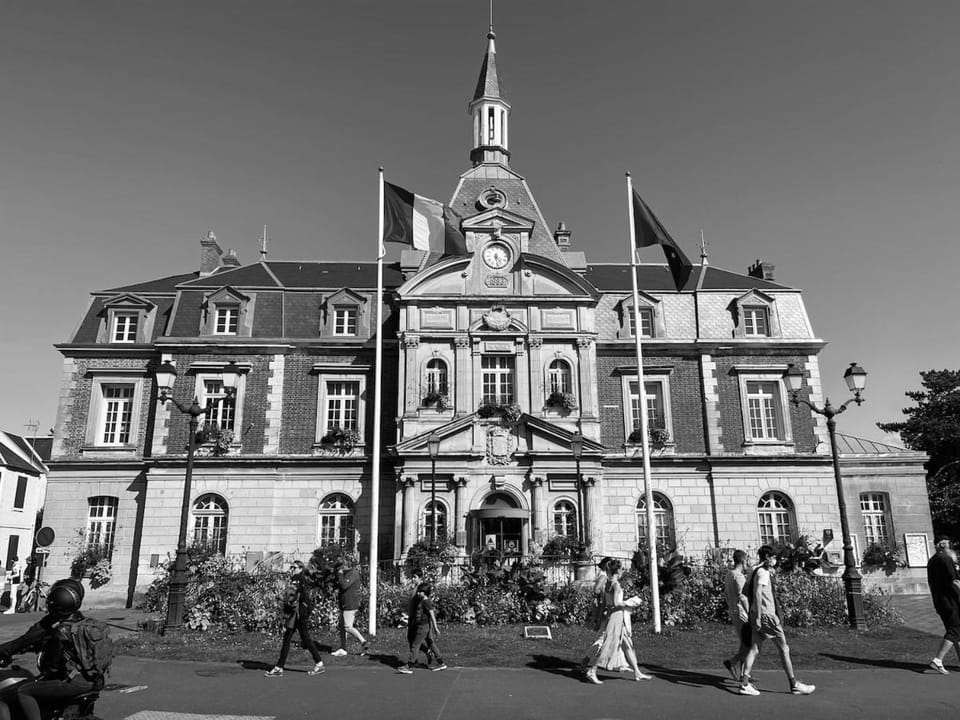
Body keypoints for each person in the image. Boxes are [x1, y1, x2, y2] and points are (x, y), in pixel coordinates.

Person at [0, 578, 103, 720]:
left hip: (69, 680)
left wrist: (6, 650)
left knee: (22, 691)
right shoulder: (80, 623)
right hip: (93, 679)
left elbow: (23, 642)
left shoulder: (53, 625)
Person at [738, 546, 815, 696]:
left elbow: (746, 592)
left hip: (757, 613)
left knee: (755, 648)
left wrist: (753, 613)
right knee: (784, 648)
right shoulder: (763, 572)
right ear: (767, 556)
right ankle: (794, 684)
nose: (775, 559)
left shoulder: (754, 570)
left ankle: (744, 683)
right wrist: (760, 616)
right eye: (773, 556)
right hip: (767, 615)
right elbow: (758, 593)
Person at [583, 558, 650, 684]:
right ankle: (593, 670)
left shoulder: (609, 583)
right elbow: (615, 603)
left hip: (613, 615)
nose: (622, 570)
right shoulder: (616, 585)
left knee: (627, 644)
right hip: (616, 616)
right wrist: (630, 603)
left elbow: (607, 602)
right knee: (609, 644)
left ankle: (637, 672)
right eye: (621, 568)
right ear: (618, 570)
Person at [264, 561, 325, 678]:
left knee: (304, 638)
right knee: (288, 638)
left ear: (301, 568)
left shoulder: (299, 579)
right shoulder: (298, 579)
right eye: (291, 567)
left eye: (294, 567)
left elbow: (297, 597)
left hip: (298, 614)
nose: (292, 569)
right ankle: (279, 667)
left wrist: (298, 610)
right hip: (296, 613)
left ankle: (319, 663)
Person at [926, 538, 960, 675]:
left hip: (940, 602)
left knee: (957, 631)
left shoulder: (932, 560)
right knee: (955, 629)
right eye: (947, 542)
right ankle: (938, 660)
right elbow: (956, 581)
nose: (949, 545)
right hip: (950, 601)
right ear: (941, 545)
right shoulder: (945, 559)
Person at [397, 582, 446, 674]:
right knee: (430, 643)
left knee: (416, 644)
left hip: (423, 627)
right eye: (418, 591)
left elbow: (432, 614)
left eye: (420, 592)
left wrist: (435, 627)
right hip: (421, 626)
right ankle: (441, 662)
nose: (418, 593)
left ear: (425, 592)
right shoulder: (421, 600)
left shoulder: (426, 602)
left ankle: (410, 664)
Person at [331, 556, 370, 657]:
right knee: (342, 627)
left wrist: (339, 574)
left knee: (347, 626)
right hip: (344, 603)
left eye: (340, 567)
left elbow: (344, 585)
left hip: (350, 603)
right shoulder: (345, 573)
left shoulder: (353, 573)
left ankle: (363, 642)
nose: (339, 570)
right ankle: (343, 648)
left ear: (344, 565)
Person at [722, 549, 751, 683]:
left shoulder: (728, 574)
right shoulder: (738, 576)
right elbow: (742, 596)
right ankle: (733, 663)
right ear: (743, 561)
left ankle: (744, 673)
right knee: (749, 645)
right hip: (741, 612)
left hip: (733, 610)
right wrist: (750, 612)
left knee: (744, 643)